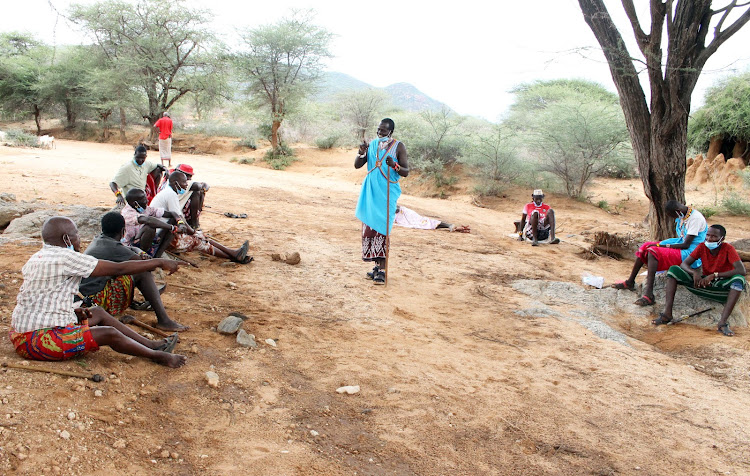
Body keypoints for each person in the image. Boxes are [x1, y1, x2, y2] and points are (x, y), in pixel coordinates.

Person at [9, 216, 186, 368]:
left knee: (98, 313)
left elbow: (42, 296)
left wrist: (70, 312)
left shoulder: (37, 257)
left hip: (22, 333)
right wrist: (158, 262)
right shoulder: (66, 257)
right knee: (108, 333)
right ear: (66, 239)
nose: (79, 238)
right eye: (76, 234)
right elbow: (118, 269)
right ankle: (158, 356)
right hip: (36, 341)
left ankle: (151, 345)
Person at [79, 212, 189, 332]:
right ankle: (164, 320)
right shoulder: (114, 248)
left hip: (85, 296)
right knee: (142, 272)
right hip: (94, 302)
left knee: (136, 270)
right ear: (123, 231)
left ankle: (152, 306)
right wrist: (160, 261)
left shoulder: (100, 240)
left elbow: (130, 248)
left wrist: (140, 252)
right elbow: (146, 266)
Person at [653, 224, 746, 336]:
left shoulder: (728, 249)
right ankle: (667, 314)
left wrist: (715, 275)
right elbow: (684, 264)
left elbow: (741, 270)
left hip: (721, 285)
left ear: (722, 239)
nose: (709, 239)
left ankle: (722, 323)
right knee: (674, 270)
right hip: (703, 284)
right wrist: (694, 272)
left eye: (714, 237)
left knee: (738, 280)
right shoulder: (702, 246)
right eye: (707, 235)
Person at [611, 200, 707, 306]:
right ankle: (630, 282)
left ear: (678, 211)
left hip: (691, 252)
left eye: (673, 216)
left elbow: (686, 245)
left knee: (654, 251)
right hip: (681, 243)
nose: (674, 218)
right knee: (645, 247)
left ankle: (649, 295)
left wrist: (661, 246)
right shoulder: (683, 215)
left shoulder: (695, 219)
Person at [151, 171, 251, 263]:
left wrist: (195, 232)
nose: (186, 185)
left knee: (200, 237)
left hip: (165, 232)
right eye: (184, 182)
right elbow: (180, 219)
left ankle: (233, 254)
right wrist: (194, 232)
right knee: (198, 241)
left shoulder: (169, 193)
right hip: (161, 237)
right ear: (176, 183)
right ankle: (233, 256)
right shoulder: (170, 195)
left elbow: (179, 218)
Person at [355, 118, 410, 285]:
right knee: (370, 229)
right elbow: (358, 165)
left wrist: (395, 165)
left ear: (390, 132)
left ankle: (383, 270)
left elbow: (406, 171)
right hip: (371, 192)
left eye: (384, 131)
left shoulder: (398, 146)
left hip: (386, 194)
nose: (380, 133)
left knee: (383, 230)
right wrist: (361, 152)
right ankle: (376, 268)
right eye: (379, 130)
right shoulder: (372, 145)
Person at [122, 188, 179, 258]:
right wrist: (171, 227)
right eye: (144, 199)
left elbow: (171, 213)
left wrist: (179, 221)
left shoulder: (145, 209)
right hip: (130, 246)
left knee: (173, 221)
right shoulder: (127, 213)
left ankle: (157, 256)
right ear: (135, 203)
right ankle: (142, 258)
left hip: (143, 240)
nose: (147, 200)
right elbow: (148, 220)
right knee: (149, 228)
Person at [394, 205, 470, 233]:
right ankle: (456, 228)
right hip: (402, 215)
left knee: (423, 222)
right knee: (424, 223)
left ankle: (449, 225)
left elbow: (396, 209)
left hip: (404, 214)